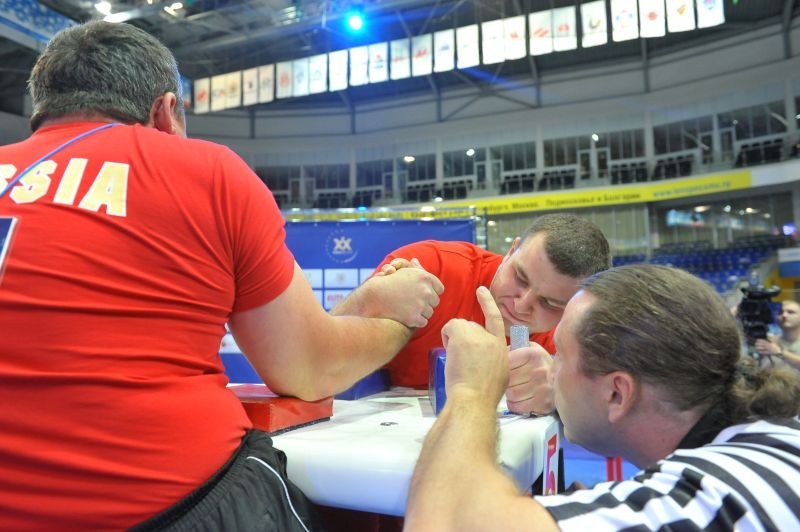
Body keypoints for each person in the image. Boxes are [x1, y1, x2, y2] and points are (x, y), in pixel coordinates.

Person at [0, 21, 444, 530]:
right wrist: (398, 321)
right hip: (167, 505)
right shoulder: (206, 170)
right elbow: (307, 368)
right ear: (166, 111)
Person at [406, 264, 800, 530]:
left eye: (559, 354)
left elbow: (445, 520)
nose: (549, 367)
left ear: (617, 393)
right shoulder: (775, 432)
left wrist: (471, 390)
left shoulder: (699, 499)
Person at [336, 213, 610, 415]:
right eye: (520, 278)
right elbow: (322, 354)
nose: (522, 305)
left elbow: (609, 413)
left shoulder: (570, 330)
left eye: (549, 303)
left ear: (576, 303)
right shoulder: (431, 269)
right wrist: (367, 299)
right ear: (511, 251)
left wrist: (559, 392)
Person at [754, 299, 800, 370]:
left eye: (791, 312)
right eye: (780, 312)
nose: (784, 315)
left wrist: (779, 352)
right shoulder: (771, 342)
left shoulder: (773, 347)